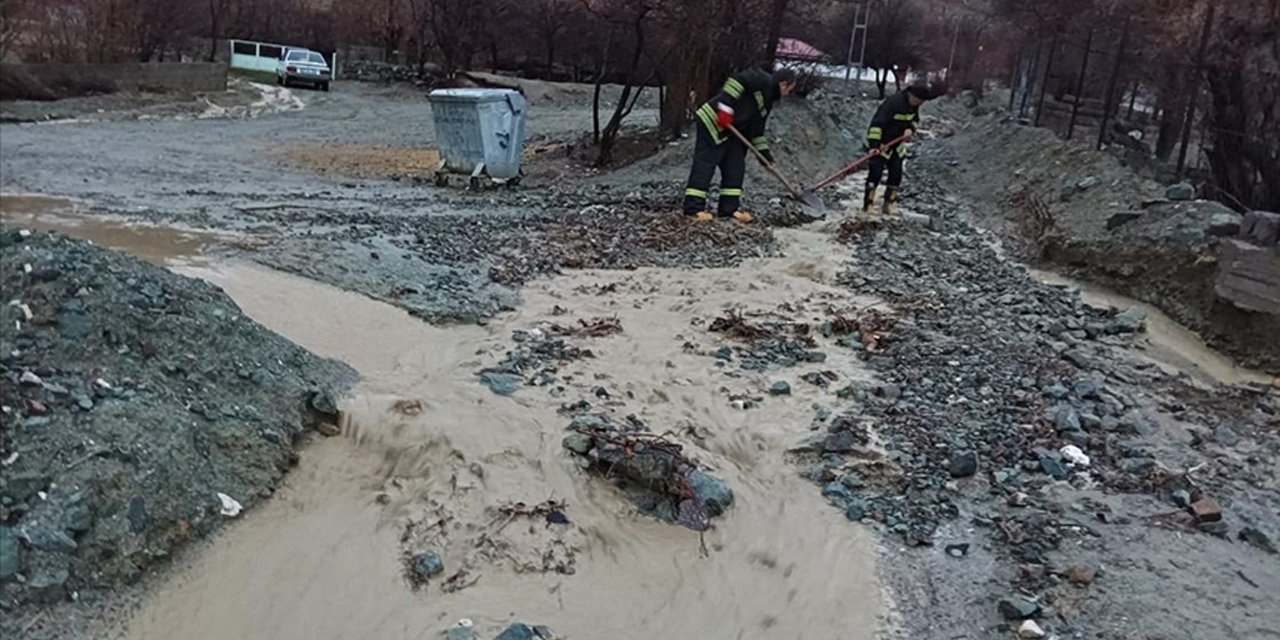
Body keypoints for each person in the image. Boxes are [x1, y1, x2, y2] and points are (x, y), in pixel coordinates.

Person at [683, 67, 797, 223]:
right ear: (784, 84)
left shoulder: (767, 103)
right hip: (713, 121)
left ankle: (729, 210)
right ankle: (693, 209)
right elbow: (735, 81)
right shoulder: (762, 79)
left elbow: (757, 132)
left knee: (735, 167)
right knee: (705, 164)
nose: (788, 93)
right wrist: (725, 109)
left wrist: (765, 158)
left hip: (732, 131)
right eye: (789, 89)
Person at [863, 83, 937, 216]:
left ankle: (888, 205)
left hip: (897, 145)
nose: (919, 104)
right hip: (882, 144)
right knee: (875, 173)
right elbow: (876, 125)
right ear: (911, 95)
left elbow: (914, 120)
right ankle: (868, 205)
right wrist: (874, 145)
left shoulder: (913, 106)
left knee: (896, 174)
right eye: (918, 100)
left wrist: (910, 129)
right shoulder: (893, 103)